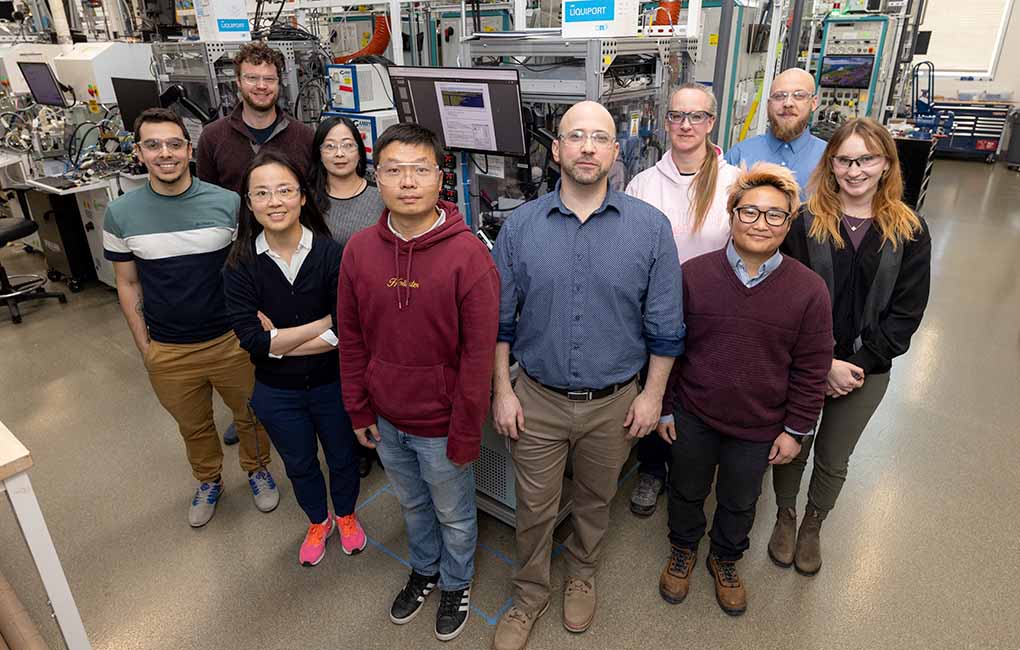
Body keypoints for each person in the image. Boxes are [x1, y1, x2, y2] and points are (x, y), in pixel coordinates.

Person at [491, 101, 685, 650]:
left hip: (615, 402)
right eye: (575, 137)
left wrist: (652, 396)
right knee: (534, 508)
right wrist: (502, 390)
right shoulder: (521, 227)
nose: (586, 147)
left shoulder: (649, 229)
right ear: (556, 150)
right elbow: (500, 320)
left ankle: (582, 572)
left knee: (597, 500)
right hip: (536, 399)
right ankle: (529, 594)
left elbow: (666, 325)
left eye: (599, 138)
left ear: (614, 152)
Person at [338, 123, 499, 642]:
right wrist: (359, 410)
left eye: (420, 170)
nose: (408, 182)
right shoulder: (359, 251)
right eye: (394, 170)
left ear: (439, 178)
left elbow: (478, 357)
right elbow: (352, 337)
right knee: (410, 505)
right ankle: (425, 570)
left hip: (441, 423)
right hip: (387, 416)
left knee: (454, 512)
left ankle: (456, 581)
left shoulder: (468, 255)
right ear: (376, 179)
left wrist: (466, 429)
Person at [657, 163, 832, 616]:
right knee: (686, 489)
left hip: (759, 425)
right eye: (750, 211)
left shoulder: (809, 291)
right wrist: (666, 408)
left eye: (775, 215)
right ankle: (683, 548)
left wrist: (795, 430)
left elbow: (812, 370)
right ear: (732, 215)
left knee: (740, 499)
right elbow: (672, 347)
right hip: (694, 412)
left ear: (789, 224)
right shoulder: (693, 275)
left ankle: (726, 558)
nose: (761, 223)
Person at [768, 118, 931, 576]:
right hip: (803, 364)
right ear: (831, 163)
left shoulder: (910, 230)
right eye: (844, 160)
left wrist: (852, 364)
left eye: (867, 159)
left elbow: (906, 315)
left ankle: (813, 523)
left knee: (834, 456)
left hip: (866, 370)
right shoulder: (803, 222)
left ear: (886, 164)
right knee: (795, 440)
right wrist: (822, 365)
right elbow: (785, 301)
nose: (855, 170)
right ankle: (785, 514)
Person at [103, 108, 277, 528]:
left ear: (189, 149)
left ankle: (257, 470)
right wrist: (144, 345)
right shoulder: (121, 213)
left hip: (230, 339)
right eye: (153, 145)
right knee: (194, 425)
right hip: (169, 347)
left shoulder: (227, 203)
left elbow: (248, 267)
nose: (165, 153)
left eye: (174, 144)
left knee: (252, 415)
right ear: (139, 152)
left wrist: (255, 320)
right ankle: (209, 479)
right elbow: (127, 284)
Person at [222, 151, 366, 567]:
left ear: (303, 197)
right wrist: (316, 325)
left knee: (342, 457)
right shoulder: (240, 264)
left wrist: (279, 339)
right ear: (249, 204)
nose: (275, 201)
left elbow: (346, 331)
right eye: (262, 193)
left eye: (285, 190)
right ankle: (318, 521)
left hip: (332, 385)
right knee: (300, 464)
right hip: (276, 392)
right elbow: (252, 342)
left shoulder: (331, 254)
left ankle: (346, 514)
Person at [624, 82, 741, 517]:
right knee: (657, 390)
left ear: (711, 123)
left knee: (698, 394)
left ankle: (689, 472)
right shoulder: (642, 185)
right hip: (654, 317)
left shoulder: (733, 184)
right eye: (677, 115)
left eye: (696, 116)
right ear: (665, 121)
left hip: (713, 314)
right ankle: (652, 470)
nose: (686, 125)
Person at [309, 115, 386, 478]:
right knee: (338, 382)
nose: (339, 154)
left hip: (375, 307)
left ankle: (383, 441)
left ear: (360, 151)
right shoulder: (308, 202)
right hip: (324, 309)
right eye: (330, 145)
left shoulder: (379, 198)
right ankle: (354, 447)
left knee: (375, 376)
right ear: (318, 152)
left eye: (347, 145)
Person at [196, 41, 314, 193]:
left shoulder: (305, 137)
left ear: (279, 82)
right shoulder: (212, 137)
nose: (261, 86)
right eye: (252, 78)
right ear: (238, 81)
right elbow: (208, 199)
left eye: (269, 79)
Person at [724, 68, 827, 193]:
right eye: (779, 96)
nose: (788, 103)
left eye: (799, 95)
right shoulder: (739, 155)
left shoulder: (829, 158)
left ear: (814, 103)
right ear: (769, 104)